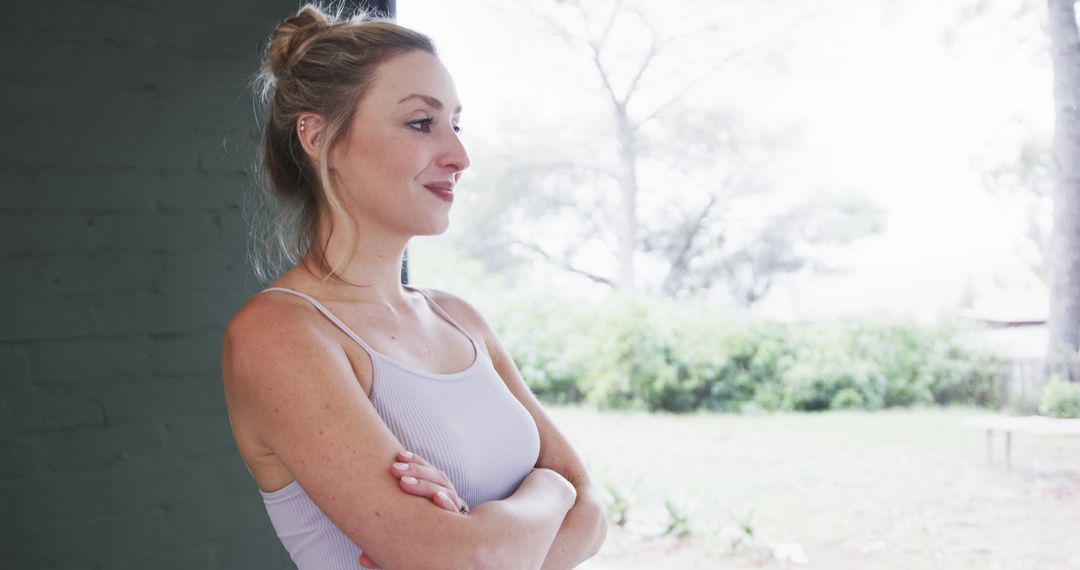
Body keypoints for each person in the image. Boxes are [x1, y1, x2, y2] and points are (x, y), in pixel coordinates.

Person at [220, 4, 607, 569]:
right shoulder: (278, 335)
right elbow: (469, 558)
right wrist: (550, 495)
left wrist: (497, 531)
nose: (459, 156)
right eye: (421, 123)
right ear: (319, 136)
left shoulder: (458, 318)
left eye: (456, 124)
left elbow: (592, 511)